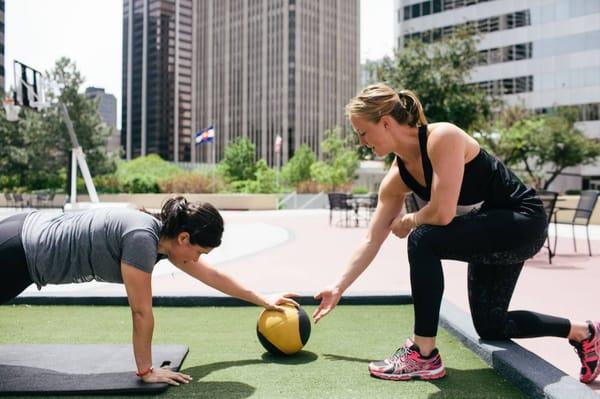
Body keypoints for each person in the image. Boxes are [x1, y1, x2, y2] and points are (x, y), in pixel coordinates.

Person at [313, 83, 600, 383]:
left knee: (422, 239)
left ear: (385, 122)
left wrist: (409, 220)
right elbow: (371, 239)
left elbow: (442, 212)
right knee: (491, 326)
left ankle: (424, 353)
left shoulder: (442, 137)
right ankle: (585, 332)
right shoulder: (396, 178)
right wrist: (338, 287)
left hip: (524, 220)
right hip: (492, 227)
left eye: (362, 132)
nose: (361, 141)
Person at [0, 196, 298, 386]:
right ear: (184, 238)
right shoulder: (142, 239)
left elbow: (213, 277)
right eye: (200, 251)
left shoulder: (161, 237)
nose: (198, 260)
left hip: (25, 234)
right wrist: (145, 370)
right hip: (19, 252)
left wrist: (263, 299)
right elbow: (141, 312)